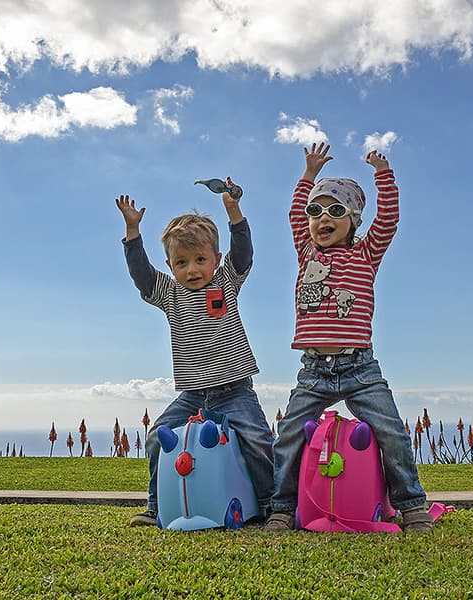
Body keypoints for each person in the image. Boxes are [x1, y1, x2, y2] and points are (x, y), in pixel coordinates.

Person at [265, 143, 433, 532]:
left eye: (335, 211)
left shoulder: (365, 254)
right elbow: (294, 212)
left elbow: (388, 219)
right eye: (316, 210)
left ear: (353, 220)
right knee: (289, 434)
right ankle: (281, 508)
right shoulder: (306, 251)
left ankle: (411, 505)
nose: (322, 218)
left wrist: (383, 173)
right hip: (313, 371)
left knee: (391, 430)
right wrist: (308, 175)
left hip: (360, 368)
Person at [115, 179, 274, 527]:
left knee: (258, 439)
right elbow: (142, 276)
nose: (192, 269)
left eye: (200, 260)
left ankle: (269, 505)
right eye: (182, 262)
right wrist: (132, 233)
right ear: (171, 266)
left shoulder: (225, 281)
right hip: (192, 396)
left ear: (216, 260)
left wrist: (234, 213)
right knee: (158, 435)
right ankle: (156, 507)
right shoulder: (168, 294)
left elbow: (243, 254)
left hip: (235, 390)